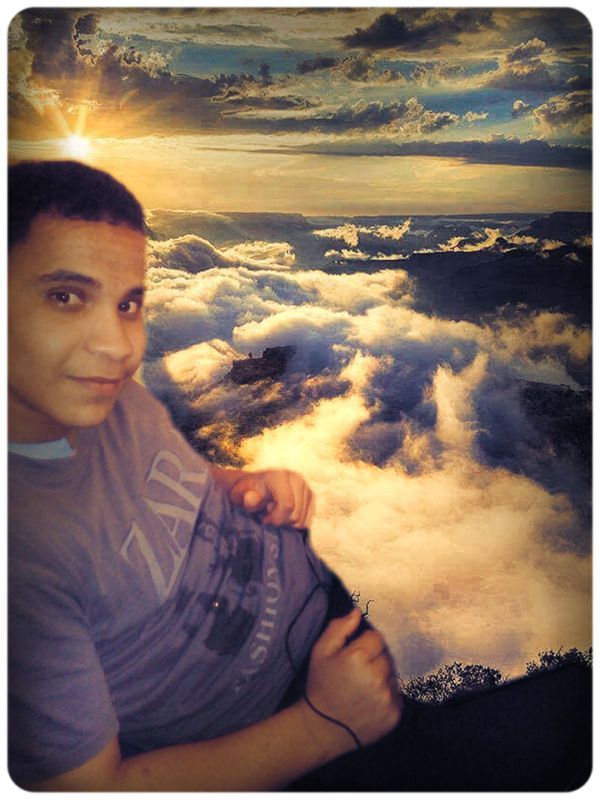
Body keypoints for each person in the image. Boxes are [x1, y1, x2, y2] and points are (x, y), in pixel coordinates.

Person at [8, 160, 591, 792]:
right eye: (66, 297)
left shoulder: (110, 403)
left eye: (128, 303)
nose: (118, 345)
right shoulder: (24, 564)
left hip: (326, 631)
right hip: (279, 730)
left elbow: (170, 475)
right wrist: (322, 724)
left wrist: (238, 486)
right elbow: (89, 788)